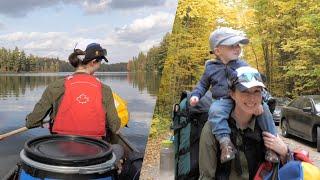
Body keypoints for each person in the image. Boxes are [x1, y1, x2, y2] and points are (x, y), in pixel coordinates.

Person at [189, 27, 278, 163]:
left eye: (238, 45)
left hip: (241, 98)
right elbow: (202, 84)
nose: (237, 48)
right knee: (214, 111)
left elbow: (255, 83)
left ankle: (271, 147)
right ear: (218, 51)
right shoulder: (210, 67)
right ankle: (225, 143)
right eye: (232, 46)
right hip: (222, 100)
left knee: (264, 110)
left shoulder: (242, 65)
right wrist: (196, 95)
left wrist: (262, 101)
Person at [198, 66, 290, 180]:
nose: (252, 98)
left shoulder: (265, 126)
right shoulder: (212, 129)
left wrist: (285, 152)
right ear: (232, 94)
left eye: (256, 91)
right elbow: (206, 177)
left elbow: (287, 171)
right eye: (244, 91)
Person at [25, 43, 121, 149]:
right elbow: (115, 127)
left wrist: (36, 120)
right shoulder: (105, 90)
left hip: (61, 149)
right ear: (94, 62)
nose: (100, 65)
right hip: (95, 151)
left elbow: (32, 122)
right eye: (100, 62)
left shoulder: (55, 86)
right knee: (118, 149)